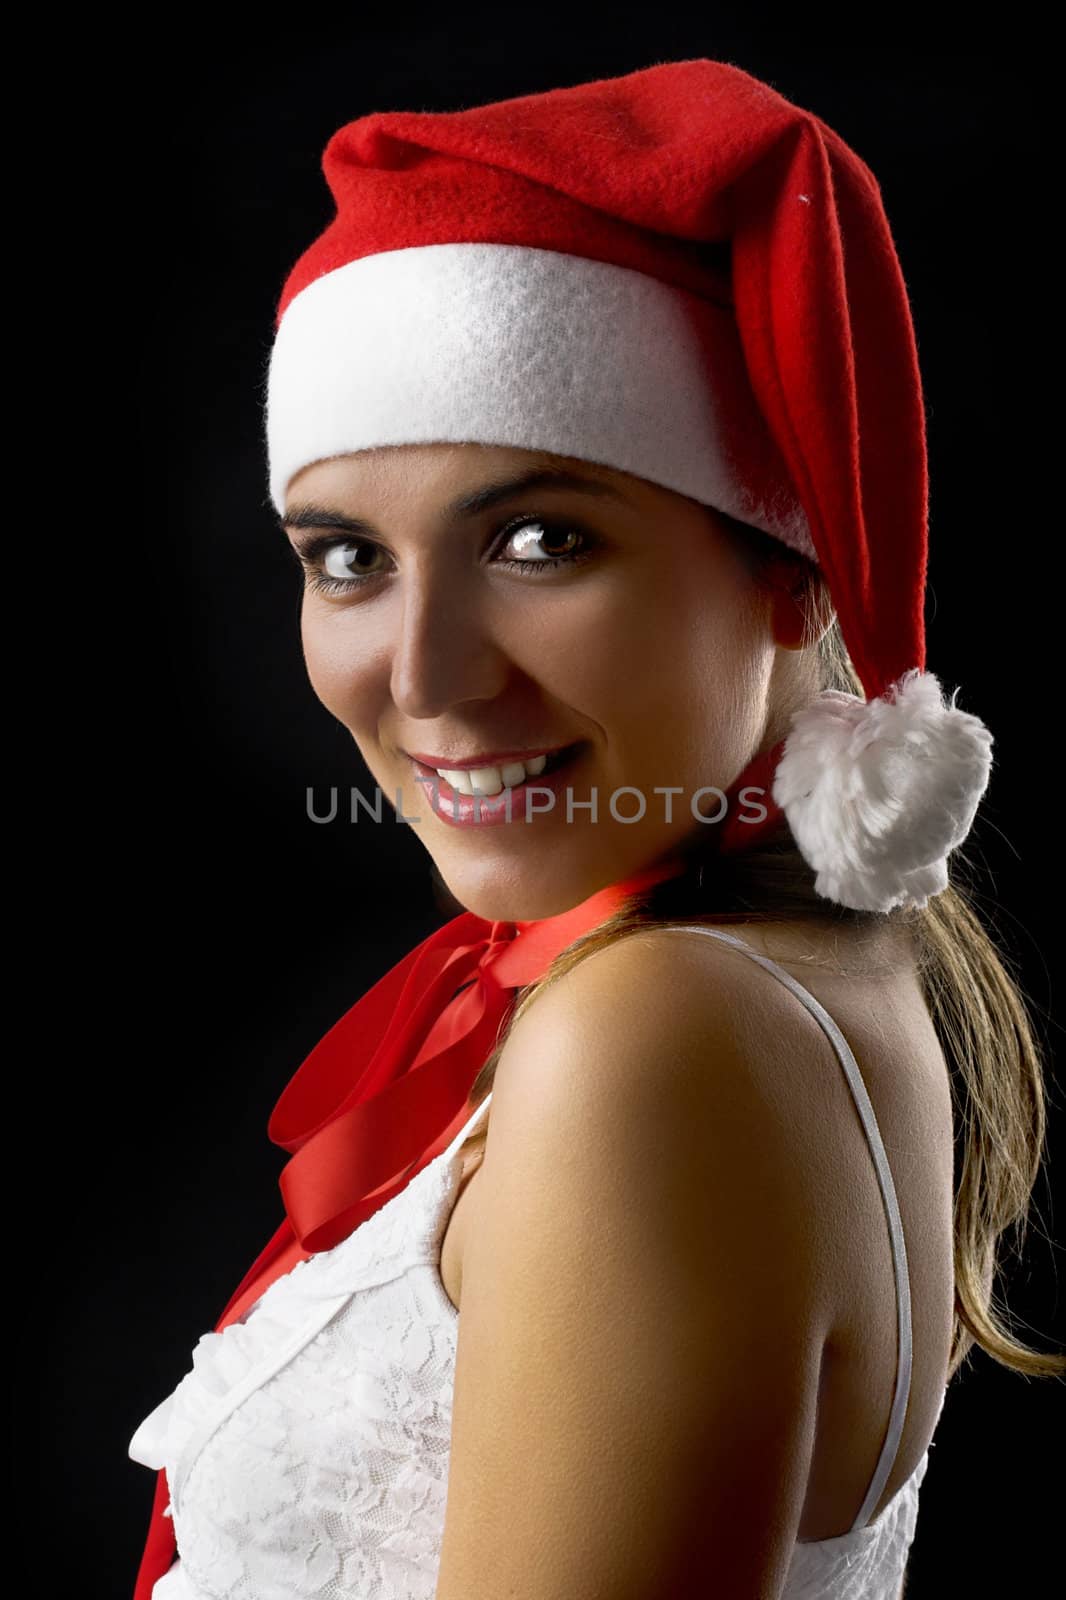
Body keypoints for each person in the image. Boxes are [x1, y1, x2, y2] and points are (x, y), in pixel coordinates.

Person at [129, 57, 1064, 1600]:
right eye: (347, 558)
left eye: (539, 539)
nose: (425, 677)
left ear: (787, 566)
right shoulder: (755, 983)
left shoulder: (660, 1032)